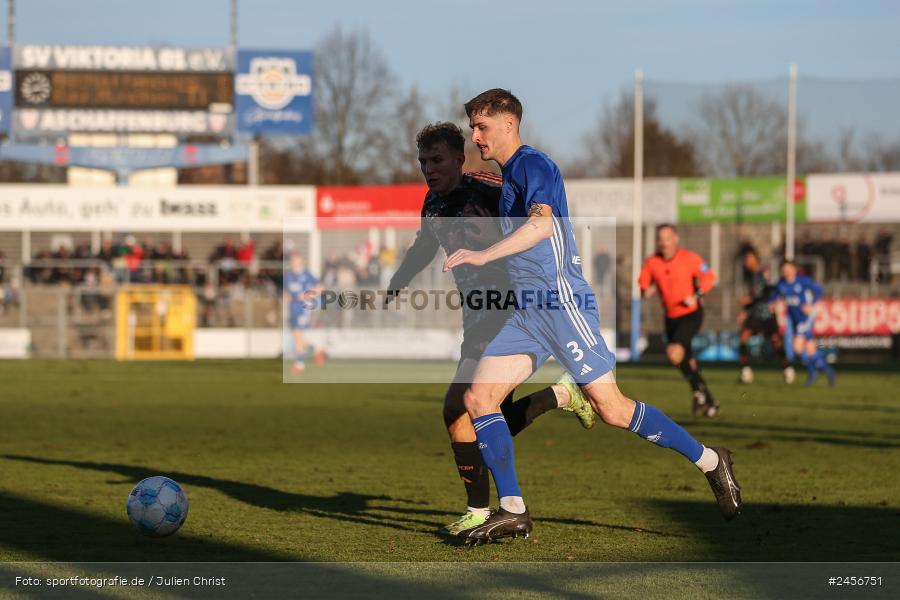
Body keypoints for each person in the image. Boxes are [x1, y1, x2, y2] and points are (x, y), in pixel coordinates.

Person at [443, 89, 741, 544]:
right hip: (525, 314)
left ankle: (711, 461)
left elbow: (542, 224)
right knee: (478, 399)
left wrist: (484, 255)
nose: (475, 136)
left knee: (614, 410)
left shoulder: (533, 164)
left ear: (508, 124)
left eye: (481, 127)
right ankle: (513, 511)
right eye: (472, 129)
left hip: (561, 306)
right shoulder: (507, 178)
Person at [387, 122, 595, 536]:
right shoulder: (431, 205)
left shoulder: (490, 189)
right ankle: (560, 395)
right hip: (477, 317)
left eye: (437, 160)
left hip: (512, 314)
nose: (429, 168)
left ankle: (484, 510)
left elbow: (539, 223)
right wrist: (400, 279)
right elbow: (425, 246)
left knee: (462, 408)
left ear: (459, 159)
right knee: (485, 413)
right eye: (423, 161)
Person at [638, 224, 720, 416]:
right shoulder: (652, 262)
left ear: (676, 239)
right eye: (660, 238)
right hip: (670, 318)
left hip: (690, 314)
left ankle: (701, 395)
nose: (663, 242)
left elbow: (710, 276)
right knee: (684, 360)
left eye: (667, 237)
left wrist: (697, 294)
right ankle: (706, 398)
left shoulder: (689, 258)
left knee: (674, 352)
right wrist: (645, 290)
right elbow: (643, 282)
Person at [769, 260, 835, 386]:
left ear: (794, 270)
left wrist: (811, 305)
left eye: (788, 269)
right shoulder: (781, 283)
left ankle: (813, 372)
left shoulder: (803, 281)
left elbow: (819, 291)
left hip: (806, 317)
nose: (786, 272)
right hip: (794, 318)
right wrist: (772, 302)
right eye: (784, 269)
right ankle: (829, 371)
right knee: (810, 350)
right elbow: (774, 295)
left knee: (797, 347)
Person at [737, 248, 794, 384]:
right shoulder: (751, 276)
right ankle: (746, 371)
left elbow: (768, 292)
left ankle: (788, 369)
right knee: (743, 338)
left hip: (767, 313)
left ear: (755, 259)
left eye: (749, 259)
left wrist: (750, 299)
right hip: (755, 313)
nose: (746, 262)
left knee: (776, 341)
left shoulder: (764, 273)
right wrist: (746, 309)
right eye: (745, 260)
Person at [284, 253, 325, 373]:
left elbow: (321, 288)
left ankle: (300, 364)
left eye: (297, 261)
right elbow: (288, 291)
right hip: (293, 307)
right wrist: (286, 296)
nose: (295, 263)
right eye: (293, 261)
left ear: (301, 262)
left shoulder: (307, 274)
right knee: (297, 336)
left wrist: (306, 295)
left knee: (297, 333)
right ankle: (316, 349)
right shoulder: (288, 276)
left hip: (304, 308)